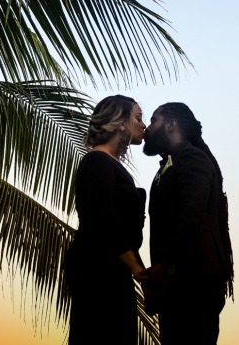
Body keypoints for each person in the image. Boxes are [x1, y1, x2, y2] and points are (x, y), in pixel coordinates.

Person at [142, 102, 233, 344]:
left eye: (153, 121)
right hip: (178, 285)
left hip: (194, 285)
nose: (147, 129)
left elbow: (192, 215)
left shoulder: (191, 158)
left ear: (171, 124)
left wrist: (166, 265)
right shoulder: (169, 165)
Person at [65, 95, 148, 344]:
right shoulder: (97, 161)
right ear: (120, 123)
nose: (143, 125)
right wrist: (136, 267)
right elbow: (103, 219)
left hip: (112, 267)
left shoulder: (109, 164)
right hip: (98, 269)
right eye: (138, 117)